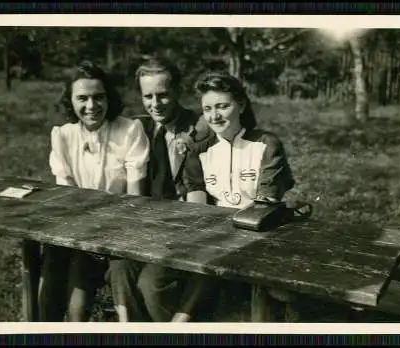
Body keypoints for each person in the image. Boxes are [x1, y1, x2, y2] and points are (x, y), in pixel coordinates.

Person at [38, 60, 151, 322]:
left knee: (77, 307)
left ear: (109, 97)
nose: (91, 106)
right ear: (71, 101)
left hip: (120, 232)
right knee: (55, 277)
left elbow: (135, 198)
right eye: (83, 98)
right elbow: (67, 195)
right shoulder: (63, 135)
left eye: (98, 97)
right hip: (78, 233)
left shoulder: (129, 130)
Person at [181, 71, 299, 317]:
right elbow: (197, 209)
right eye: (208, 108)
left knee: (267, 284)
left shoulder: (267, 144)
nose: (214, 116)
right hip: (214, 236)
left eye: (223, 106)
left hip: (261, 232)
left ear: (241, 104)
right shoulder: (198, 151)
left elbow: (265, 204)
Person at [121, 56, 214, 322]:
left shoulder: (200, 127)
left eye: (162, 95)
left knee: (150, 284)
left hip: (187, 226)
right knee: (120, 269)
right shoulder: (139, 128)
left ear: (178, 92)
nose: (155, 104)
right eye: (147, 96)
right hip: (148, 224)